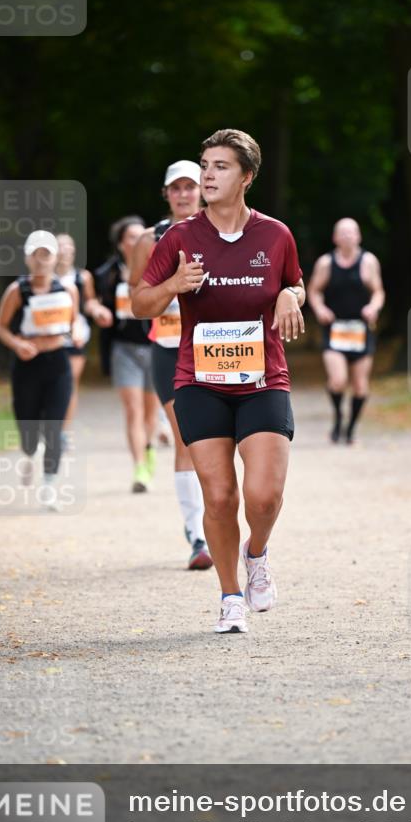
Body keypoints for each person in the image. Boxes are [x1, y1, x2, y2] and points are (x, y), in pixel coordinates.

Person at [133, 128, 305, 634]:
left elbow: (291, 280)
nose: (207, 175)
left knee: (264, 496)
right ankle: (231, 596)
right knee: (221, 497)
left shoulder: (276, 235)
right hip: (199, 381)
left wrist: (290, 296)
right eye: (205, 165)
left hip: (263, 379)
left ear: (247, 177)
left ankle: (257, 554)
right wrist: (173, 285)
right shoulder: (180, 238)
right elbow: (141, 304)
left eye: (220, 166)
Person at [129, 160, 213, 571]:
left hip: (215, 348)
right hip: (169, 348)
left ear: (202, 190)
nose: (183, 194)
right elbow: (137, 299)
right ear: (166, 194)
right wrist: (172, 288)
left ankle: (218, 520)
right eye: (175, 188)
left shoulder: (220, 230)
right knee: (185, 439)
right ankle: (197, 534)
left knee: (218, 440)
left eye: (190, 187)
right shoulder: (150, 239)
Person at [0, 230, 83, 510]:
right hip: (26, 366)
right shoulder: (17, 291)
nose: (42, 260)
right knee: (28, 428)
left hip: (58, 363)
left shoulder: (68, 290)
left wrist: (77, 332)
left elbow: (75, 322)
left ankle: (49, 486)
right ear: (28, 258)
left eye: (47, 253)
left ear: (56, 257)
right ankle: (30, 453)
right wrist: (17, 344)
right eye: (37, 254)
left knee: (55, 429)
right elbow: (0, 327)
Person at [94, 216, 161, 493]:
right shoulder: (107, 274)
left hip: (155, 346)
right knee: (132, 410)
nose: (138, 241)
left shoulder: (158, 267)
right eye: (131, 237)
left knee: (150, 411)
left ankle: (150, 447)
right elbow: (96, 301)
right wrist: (99, 311)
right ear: (121, 244)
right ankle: (139, 468)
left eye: (141, 236)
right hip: (124, 349)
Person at [307, 217, 385, 444]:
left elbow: (379, 291)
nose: (348, 236)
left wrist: (374, 306)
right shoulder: (326, 263)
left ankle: (350, 428)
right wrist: (320, 309)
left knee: (360, 386)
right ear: (335, 238)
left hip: (361, 330)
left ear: (359, 236)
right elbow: (314, 290)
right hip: (335, 330)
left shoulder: (368, 262)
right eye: (343, 233)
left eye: (352, 232)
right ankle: (339, 416)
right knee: (338, 380)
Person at [56, 233, 113, 442]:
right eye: (60, 246)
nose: (65, 250)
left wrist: (98, 311)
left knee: (69, 383)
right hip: (46, 338)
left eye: (69, 246)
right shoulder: (41, 278)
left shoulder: (82, 277)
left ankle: (63, 432)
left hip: (75, 337)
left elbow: (89, 302)